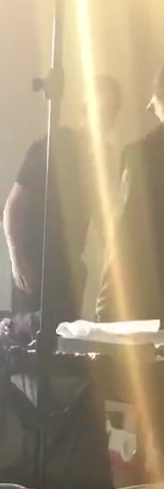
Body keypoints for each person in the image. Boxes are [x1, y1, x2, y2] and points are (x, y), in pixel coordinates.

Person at [4, 75, 123, 323]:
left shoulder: (105, 160)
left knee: (66, 338)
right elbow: (14, 205)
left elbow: (104, 219)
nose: (103, 120)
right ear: (85, 109)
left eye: (109, 113)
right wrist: (17, 258)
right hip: (33, 263)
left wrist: (115, 264)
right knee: (26, 338)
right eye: (100, 111)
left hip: (70, 270)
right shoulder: (51, 145)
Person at [96, 63, 164, 323]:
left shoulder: (142, 155)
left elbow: (124, 234)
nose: (150, 107)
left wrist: (106, 305)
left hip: (151, 300)